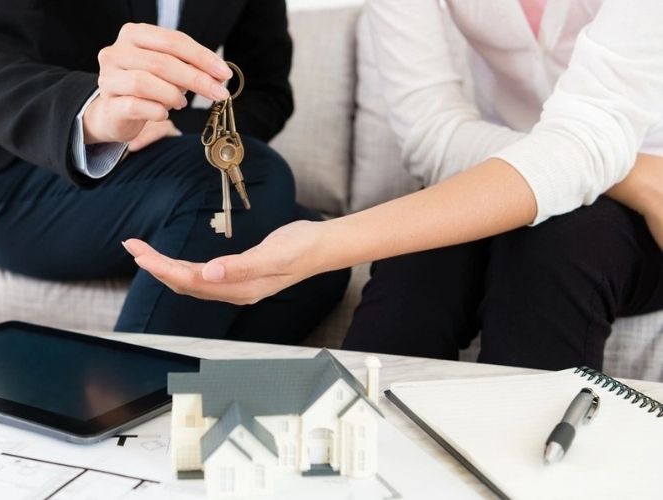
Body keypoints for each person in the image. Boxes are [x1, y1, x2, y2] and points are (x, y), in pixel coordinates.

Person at [124, 0, 663, 370]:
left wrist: (325, 245)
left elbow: (591, 135)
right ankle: (343, 459)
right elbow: (433, 134)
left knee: (556, 240)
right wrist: (632, 175)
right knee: (422, 250)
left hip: (643, 219)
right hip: (620, 178)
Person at [0, 0, 350, 343]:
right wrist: (95, 113)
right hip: (9, 174)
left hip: (145, 175)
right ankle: (126, 405)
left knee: (319, 261)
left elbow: (266, 92)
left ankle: (172, 408)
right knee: (255, 175)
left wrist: (163, 122)